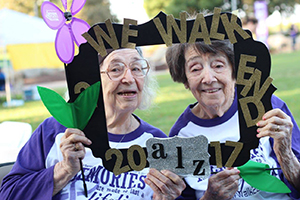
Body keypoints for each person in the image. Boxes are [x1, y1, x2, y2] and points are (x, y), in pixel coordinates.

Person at [0, 48, 186, 200]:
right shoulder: (54, 131)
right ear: (90, 80)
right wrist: (64, 170)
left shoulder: (157, 142)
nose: (129, 78)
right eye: (116, 69)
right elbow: (9, 194)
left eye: (136, 68)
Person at [165, 40, 300, 199]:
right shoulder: (180, 135)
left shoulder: (266, 106)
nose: (208, 78)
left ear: (235, 72)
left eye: (218, 65)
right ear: (185, 79)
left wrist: (285, 155)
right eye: (195, 69)